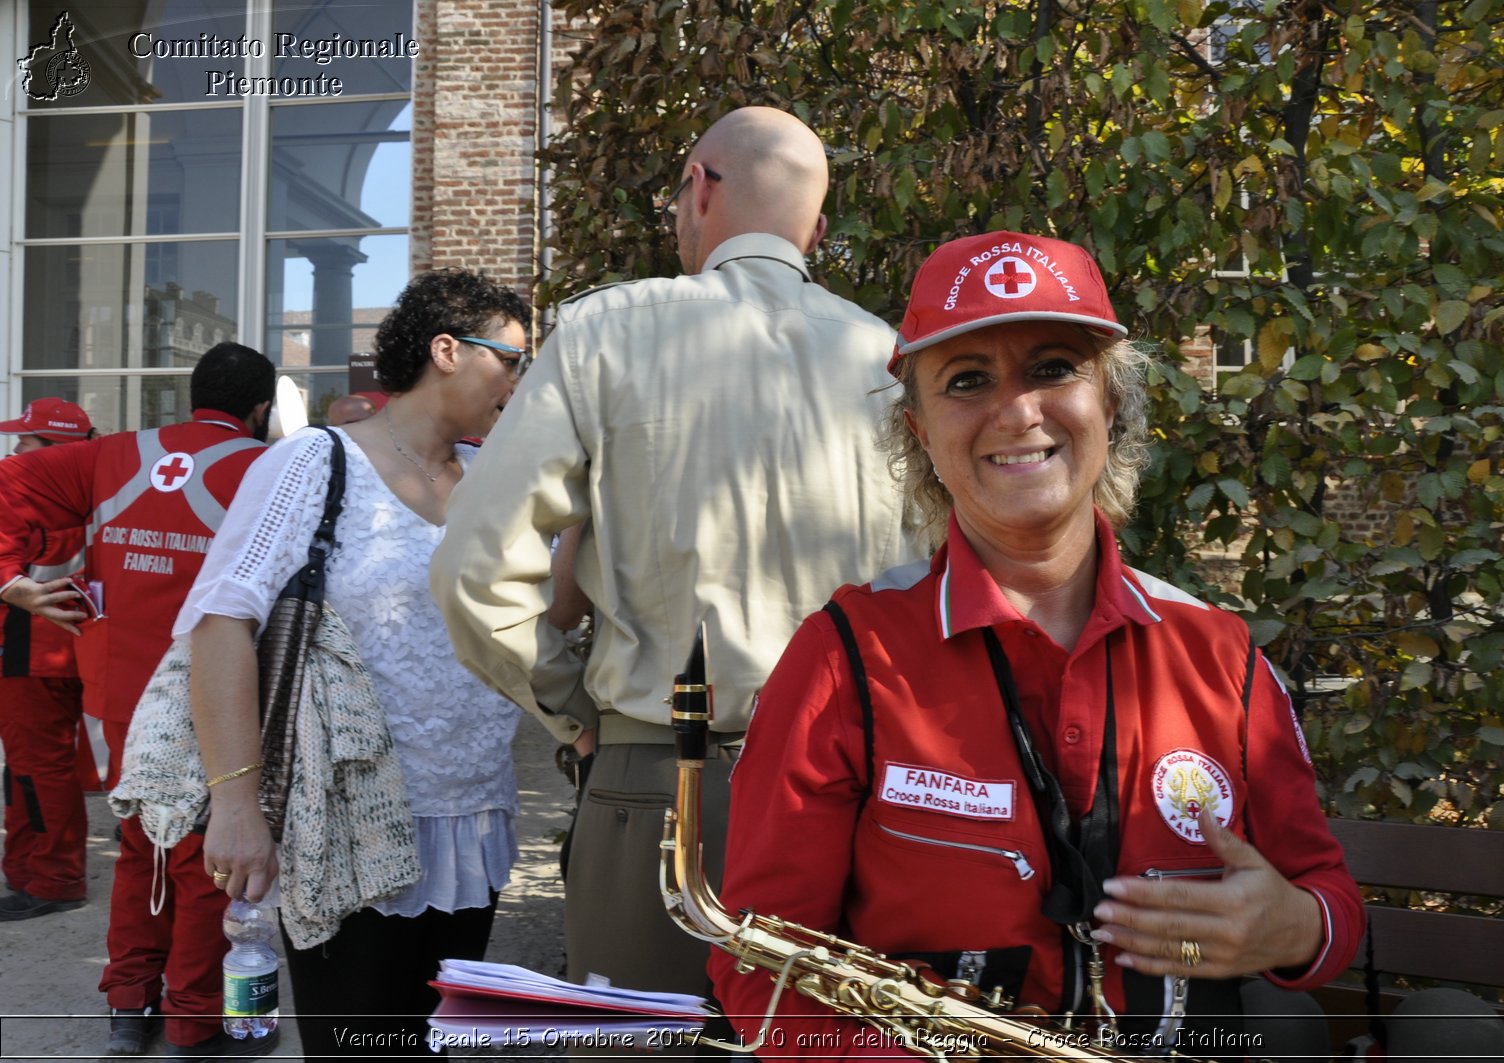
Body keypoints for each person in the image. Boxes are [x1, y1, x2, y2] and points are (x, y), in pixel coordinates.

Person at [709, 232, 1367, 1059]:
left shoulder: (1219, 653)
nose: (1018, 411)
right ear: (918, 431)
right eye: (968, 380)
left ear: (1111, 403)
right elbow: (763, 975)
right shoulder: (843, 656)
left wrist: (1291, 927)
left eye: (1054, 368)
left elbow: (1331, 906)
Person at [430, 105, 921, 999]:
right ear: (816, 222)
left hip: (659, 782)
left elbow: (473, 562)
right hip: (860, 792)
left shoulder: (606, 331)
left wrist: (572, 706)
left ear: (699, 188)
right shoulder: (891, 360)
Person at [184, 269, 530, 1058]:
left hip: (471, 823)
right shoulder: (316, 461)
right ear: (447, 351)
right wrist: (236, 805)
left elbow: (550, 617)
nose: (517, 379)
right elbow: (219, 622)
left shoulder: (492, 480)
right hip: (344, 824)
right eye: (509, 358)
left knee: (431, 1045)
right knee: (358, 1046)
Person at [0, 344, 276, 1059]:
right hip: (209, 697)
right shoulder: (266, 467)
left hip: (123, 693)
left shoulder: (119, 453)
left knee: (141, 846)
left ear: (191, 398)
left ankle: (129, 1001)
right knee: (208, 862)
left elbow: (5, 484)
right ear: (260, 409)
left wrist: (11, 583)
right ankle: (194, 1020)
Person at [0, 398, 95, 922]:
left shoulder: (21, 490)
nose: (16, 449)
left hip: (30, 652)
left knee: (38, 769)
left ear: (54, 448)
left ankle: (54, 880)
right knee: (33, 768)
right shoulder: (100, 490)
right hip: (69, 646)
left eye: (27, 440)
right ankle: (28, 869)